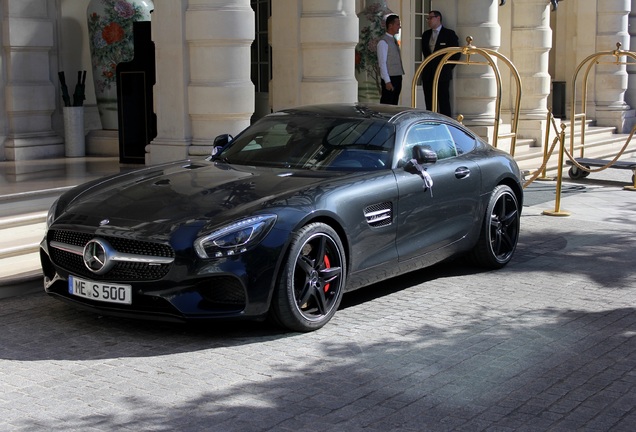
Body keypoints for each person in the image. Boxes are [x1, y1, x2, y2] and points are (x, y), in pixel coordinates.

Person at [421, 10, 460, 117]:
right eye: (427, 18)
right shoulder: (426, 35)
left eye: (430, 18)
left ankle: (446, 124)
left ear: (438, 18)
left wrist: (446, 68)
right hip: (428, 74)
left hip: (442, 74)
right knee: (429, 102)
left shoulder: (449, 34)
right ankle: (430, 122)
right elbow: (426, 53)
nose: (428, 20)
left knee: (443, 101)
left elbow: (455, 55)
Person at [377, 14, 404, 105]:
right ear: (390, 26)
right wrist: (387, 81)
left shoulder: (394, 40)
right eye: (397, 24)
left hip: (397, 77)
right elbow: (382, 63)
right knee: (387, 103)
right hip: (390, 78)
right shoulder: (383, 42)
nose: (399, 27)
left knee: (394, 103)